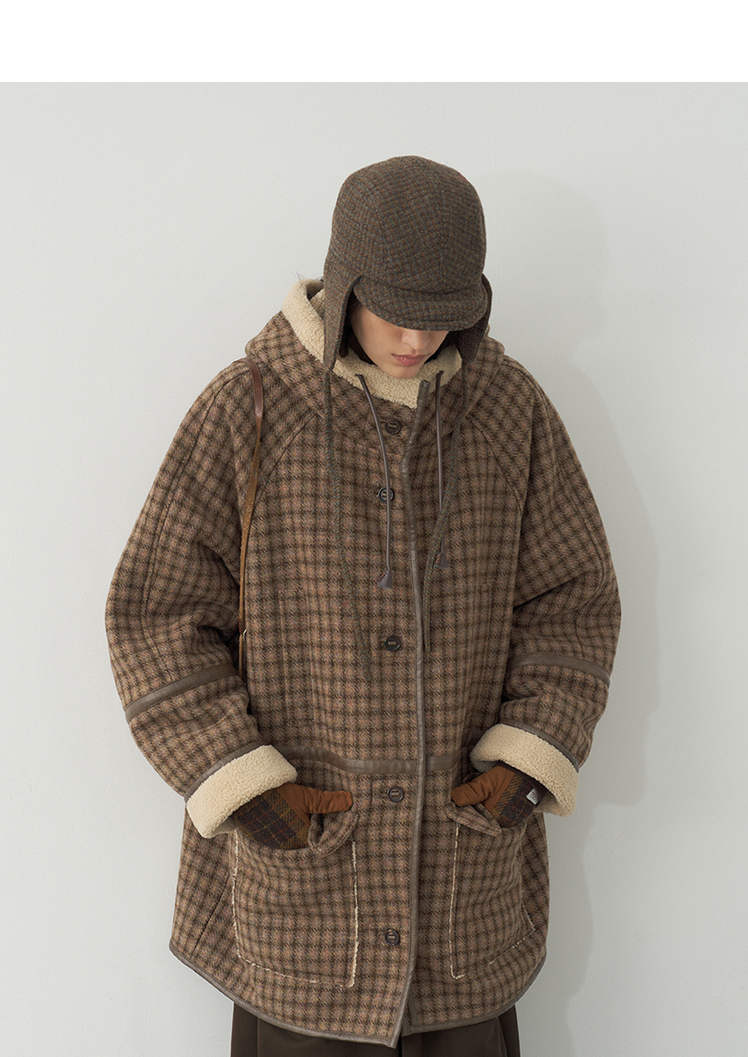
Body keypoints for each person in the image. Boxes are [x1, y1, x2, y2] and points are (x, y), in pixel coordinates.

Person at [106, 156, 620, 1056]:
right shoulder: (249, 410)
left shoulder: (508, 412)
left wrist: (529, 758)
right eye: (394, 311)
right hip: (306, 899)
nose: (417, 339)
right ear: (343, 283)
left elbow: (572, 600)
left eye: (442, 313)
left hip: (460, 893)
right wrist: (241, 782)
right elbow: (157, 614)